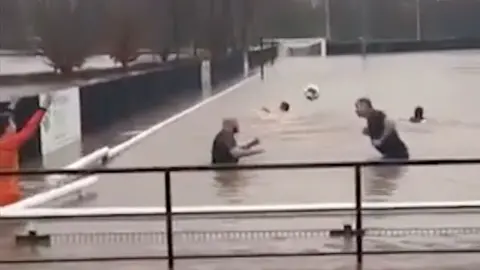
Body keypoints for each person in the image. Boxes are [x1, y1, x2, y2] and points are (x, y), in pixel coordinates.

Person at [0, 94, 53, 206]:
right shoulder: (11, 143)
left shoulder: (7, 141)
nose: (14, 125)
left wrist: (12, 107)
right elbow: (30, 127)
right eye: (12, 123)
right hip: (9, 196)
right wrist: (43, 108)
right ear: (7, 128)